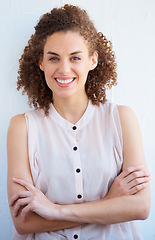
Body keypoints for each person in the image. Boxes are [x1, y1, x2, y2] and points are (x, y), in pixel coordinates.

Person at [7, 4, 150, 240]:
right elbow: (24, 221)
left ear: (92, 60)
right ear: (41, 62)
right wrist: (109, 204)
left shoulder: (121, 118)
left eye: (75, 57)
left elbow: (140, 207)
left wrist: (54, 211)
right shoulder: (21, 127)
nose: (64, 69)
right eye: (53, 58)